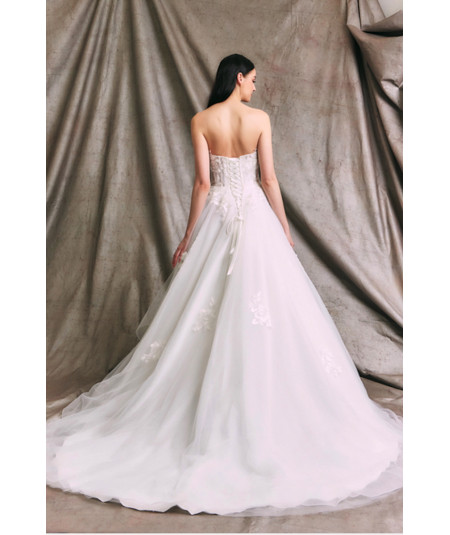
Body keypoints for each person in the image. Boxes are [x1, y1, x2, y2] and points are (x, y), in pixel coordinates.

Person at [47, 54, 402, 517]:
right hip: (254, 220)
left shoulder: (202, 120)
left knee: (202, 308)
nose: (255, 86)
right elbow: (268, 179)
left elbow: (202, 184)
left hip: (217, 219)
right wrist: (284, 231)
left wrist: (188, 238)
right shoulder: (259, 120)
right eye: (252, 79)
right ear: (238, 78)